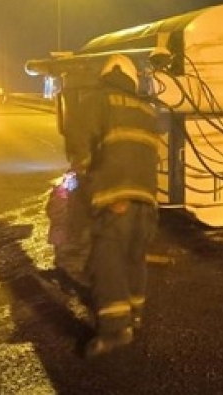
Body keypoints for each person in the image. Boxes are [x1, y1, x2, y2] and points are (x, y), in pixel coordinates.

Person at [66, 56, 161, 358]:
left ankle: (116, 329)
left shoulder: (97, 101)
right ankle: (134, 315)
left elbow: (78, 145)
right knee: (135, 256)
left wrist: (83, 177)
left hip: (113, 194)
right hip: (146, 199)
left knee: (106, 260)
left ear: (106, 75)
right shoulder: (147, 109)